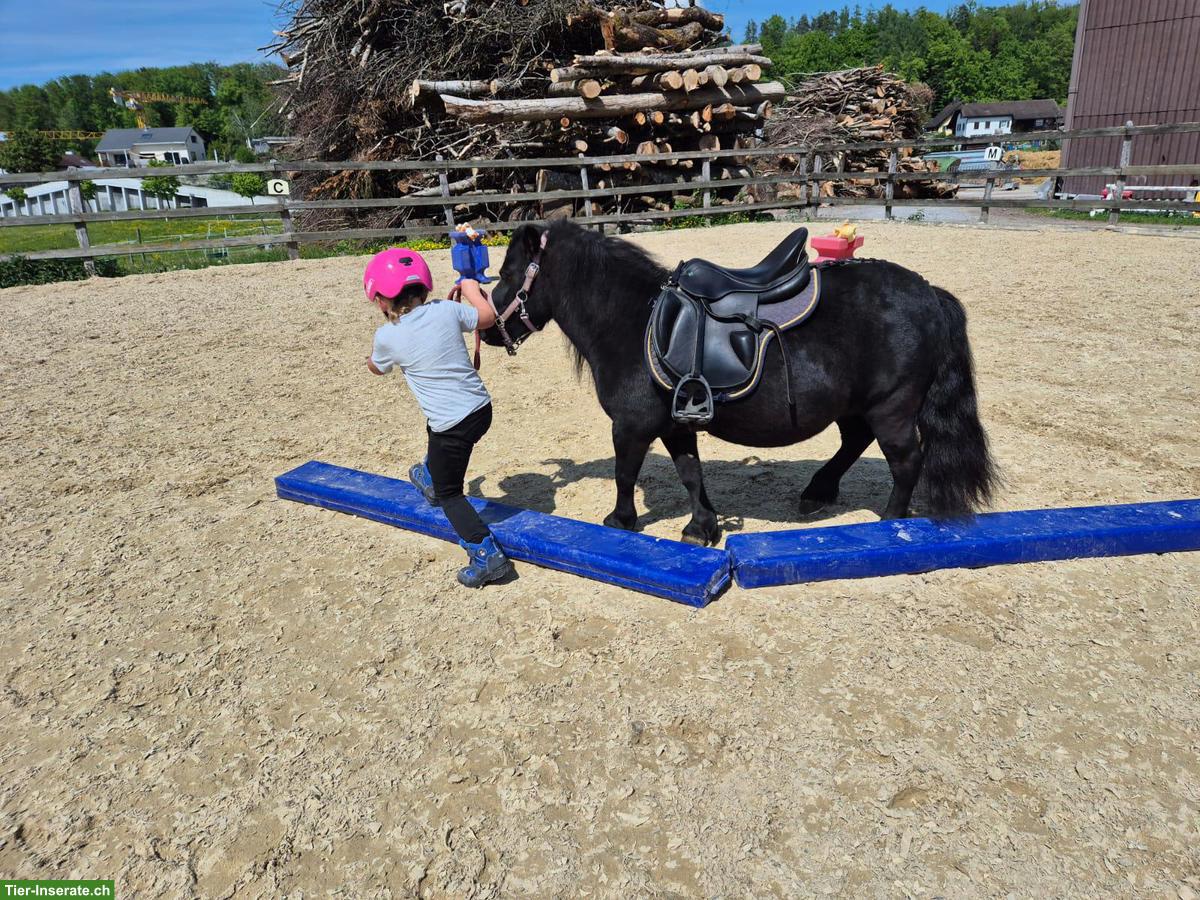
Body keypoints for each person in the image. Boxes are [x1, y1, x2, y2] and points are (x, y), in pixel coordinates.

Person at [363, 247, 513, 587]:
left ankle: (486, 554)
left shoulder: (387, 336)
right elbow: (487, 318)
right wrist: (472, 289)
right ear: (425, 288)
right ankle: (429, 473)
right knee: (438, 433)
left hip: (452, 426)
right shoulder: (447, 310)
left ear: (381, 300)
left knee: (450, 495)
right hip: (480, 410)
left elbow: (377, 368)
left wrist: (369, 361)